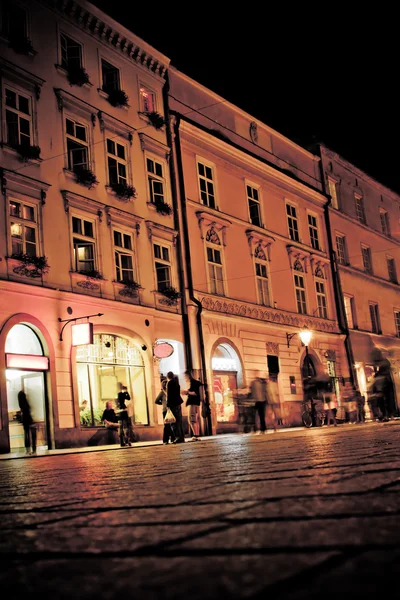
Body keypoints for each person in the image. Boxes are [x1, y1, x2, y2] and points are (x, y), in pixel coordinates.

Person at [183, 370, 203, 442]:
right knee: (195, 420)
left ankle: (195, 436)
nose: (185, 378)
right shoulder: (196, 382)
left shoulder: (192, 382)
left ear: (188, 376)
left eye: (185, 376)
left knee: (191, 420)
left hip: (192, 403)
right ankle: (196, 435)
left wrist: (187, 392)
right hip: (196, 403)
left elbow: (194, 393)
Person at [166, 371, 185, 444]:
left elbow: (168, 395)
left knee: (173, 422)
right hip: (178, 403)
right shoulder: (177, 383)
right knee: (179, 421)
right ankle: (182, 437)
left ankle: (177, 437)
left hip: (172, 404)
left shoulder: (169, 383)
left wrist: (168, 405)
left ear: (167, 377)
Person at [156, 379, 175, 444]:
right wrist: (162, 403)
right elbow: (156, 401)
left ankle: (169, 439)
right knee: (169, 425)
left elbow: (157, 401)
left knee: (169, 425)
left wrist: (163, 403)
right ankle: (168, 439)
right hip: (167, 410)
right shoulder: (163, 393)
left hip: (168, 410)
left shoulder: (169, 392)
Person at [18, 390, 36, 455]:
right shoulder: (26, 404)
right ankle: (33, 450)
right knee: (32, 435)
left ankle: (28, 450)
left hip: (25, 421)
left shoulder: (21, 404)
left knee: (26, 435)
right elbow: (29, 411)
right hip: (29, 421)